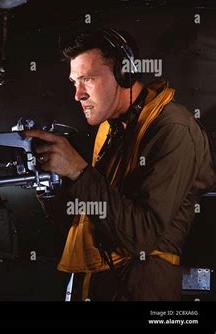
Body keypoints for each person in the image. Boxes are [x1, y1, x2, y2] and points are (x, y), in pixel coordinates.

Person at [24, 28, 215, 301]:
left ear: (124, 74)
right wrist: (47, 185)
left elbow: (141, 237)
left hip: (140, 288)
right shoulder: (111, 129)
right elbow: (94, 219)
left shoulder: (173, 129)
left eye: (87, 79)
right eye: (74, 82)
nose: (78, 94)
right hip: (95, 284)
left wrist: (78, 171)